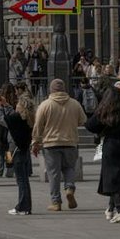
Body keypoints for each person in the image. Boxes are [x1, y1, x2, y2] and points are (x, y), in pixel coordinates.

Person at [31, 78, 84, 211]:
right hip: (70, 142)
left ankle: (56, 202)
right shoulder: (75, 104)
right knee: (69, 168)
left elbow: (38, 125)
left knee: (53, 173)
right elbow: (83, 120)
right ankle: (69, 188)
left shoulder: (45, 105)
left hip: (51, 143)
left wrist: (35, 142)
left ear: (51, 89)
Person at [85, 86, 120, 222]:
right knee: (116, 176)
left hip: (110, 146)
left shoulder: (104, 112)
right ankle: (110, 209)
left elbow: (90, 125)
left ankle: (119, 209)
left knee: (111, 179)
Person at [4, 91, 35, 216]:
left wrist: (4, 106)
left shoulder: (17, 119)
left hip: (15, 150)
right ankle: (26, 206)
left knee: (21, 180)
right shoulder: (28, 119)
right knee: (24, 179)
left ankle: (22, 206)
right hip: (21, 150)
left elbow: (4, 119)